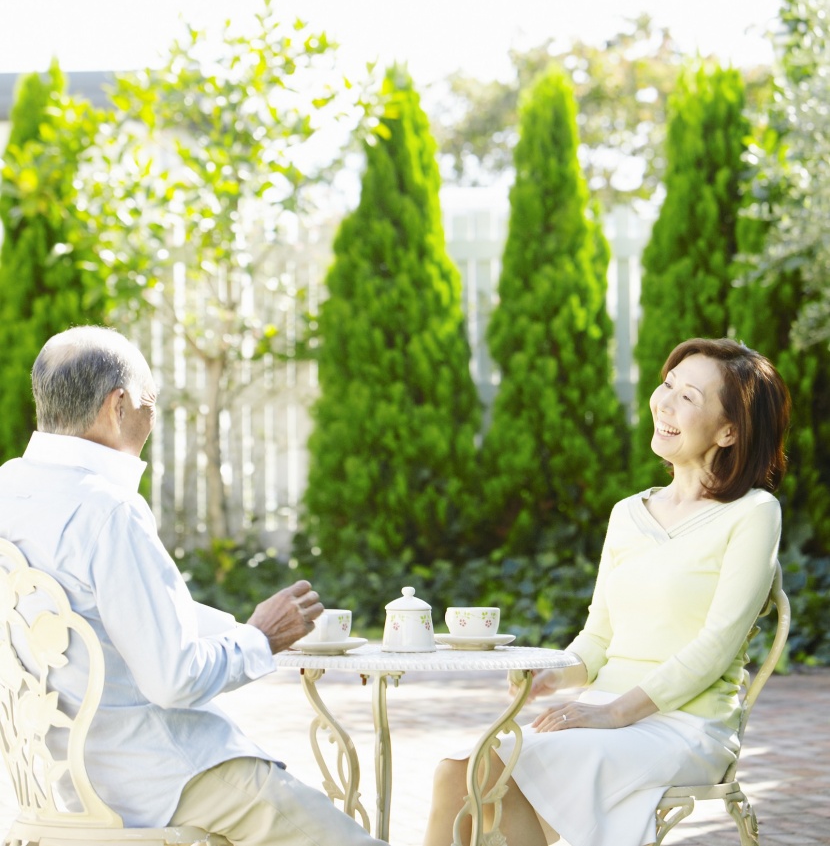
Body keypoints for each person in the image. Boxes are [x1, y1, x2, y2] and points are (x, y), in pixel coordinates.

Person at [0, 325, 389, 846]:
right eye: (150, 403)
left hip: (56, 784)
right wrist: (259, 639)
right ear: (119, 405)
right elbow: (174, 679)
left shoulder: (9, 488)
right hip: (159, 776)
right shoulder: (108, 510)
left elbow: (104, 614)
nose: (151, 419)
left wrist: (238, 626)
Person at [423, 337, 790, 846]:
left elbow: (716, 646)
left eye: (688, 397)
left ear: (729, 431)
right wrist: (551, 676)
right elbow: (597, 638)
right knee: (455, 773)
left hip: (684, 727)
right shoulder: (628, 513)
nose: (664, 402)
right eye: (668, 385)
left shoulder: (752, 513)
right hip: (602, 713)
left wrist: (612, 714)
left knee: (490, 780)